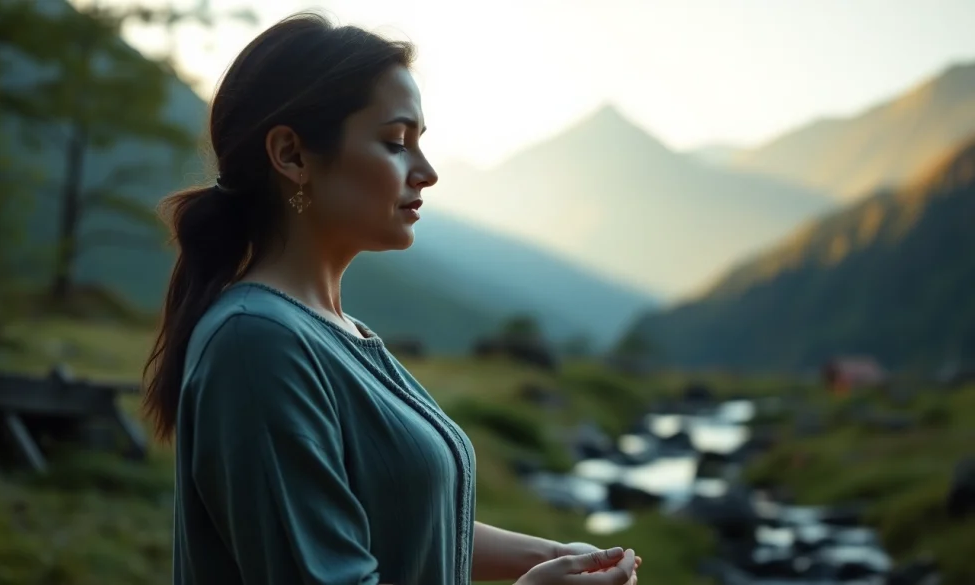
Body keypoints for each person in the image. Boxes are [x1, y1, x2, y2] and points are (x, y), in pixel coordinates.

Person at [141, 11, 641, 585]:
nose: (425, 172)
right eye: (395, 143)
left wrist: (550, 557)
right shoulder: (258, 345)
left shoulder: (332, 331)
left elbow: (393, 519)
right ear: (292, 156)